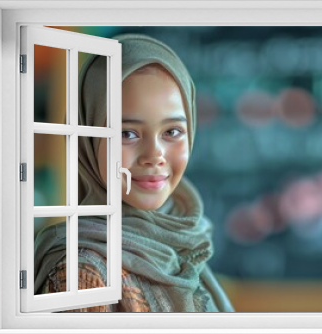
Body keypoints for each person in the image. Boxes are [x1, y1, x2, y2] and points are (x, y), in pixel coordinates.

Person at [33, 34, 234, 313]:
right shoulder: (83, 280)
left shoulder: (183, 244)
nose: (155, 155)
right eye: (127, 133)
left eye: (172, 132)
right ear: (88, 140)